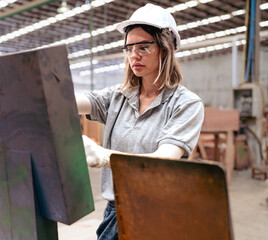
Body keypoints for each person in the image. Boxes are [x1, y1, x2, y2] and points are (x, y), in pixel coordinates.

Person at [75, 3, 204, 240]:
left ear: (166, 49)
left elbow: (163, 159)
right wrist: (11, 71)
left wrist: (104, 157)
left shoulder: (186, 104)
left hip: (158, 215)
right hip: (116, 212)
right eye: (129, 48)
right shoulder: (118, 97)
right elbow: (64, 101)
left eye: (144, 47)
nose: (134, 55)